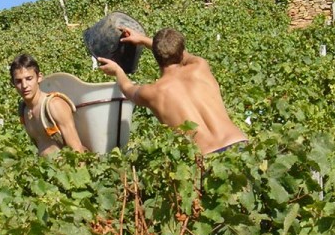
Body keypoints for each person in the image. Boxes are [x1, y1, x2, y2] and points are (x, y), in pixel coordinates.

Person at [98, 28, 247, 154]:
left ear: (156, 58)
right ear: (182, 53)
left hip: (207, 157)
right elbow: (179, 53)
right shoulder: (200, 66)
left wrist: (118, 71)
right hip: (240, 144)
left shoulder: (152, 92)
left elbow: (127, 89)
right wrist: (144, 40)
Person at [10, 54, 86, 156]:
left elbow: (77, 150)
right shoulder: (23, 109)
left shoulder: (54, 105)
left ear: (39, 77)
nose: (24, 86)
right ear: (13, 83)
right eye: (19, 81)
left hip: (65, 169)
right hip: (46, 169)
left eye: (29, 79)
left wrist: (81, 171)